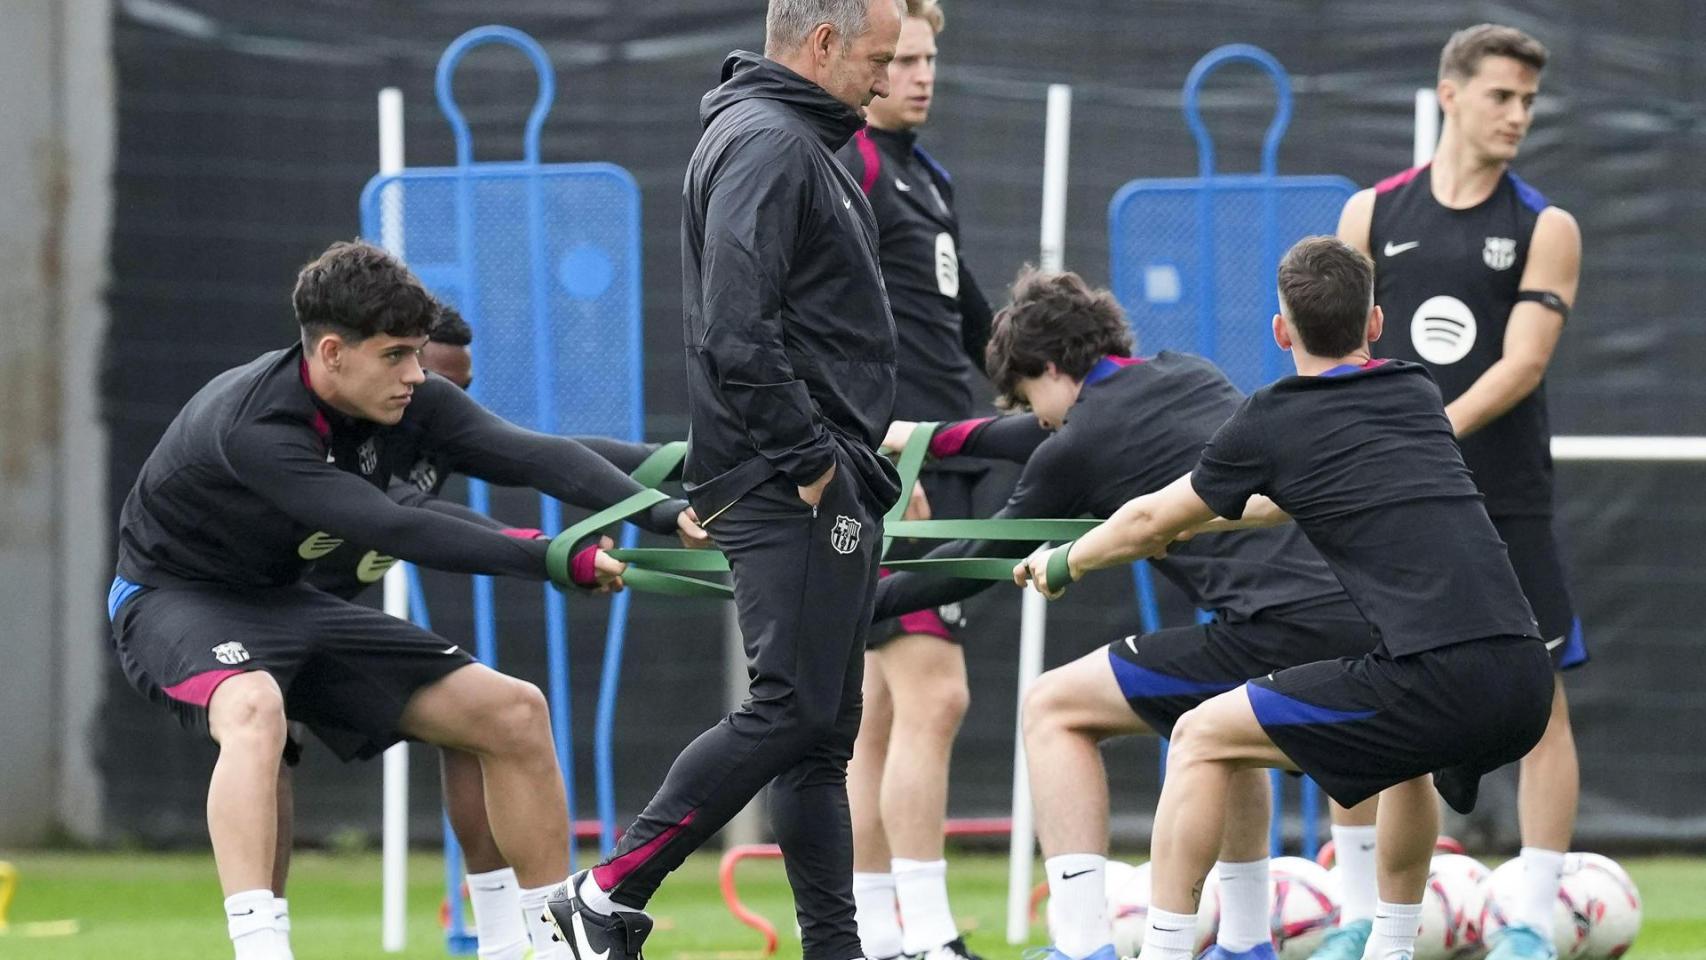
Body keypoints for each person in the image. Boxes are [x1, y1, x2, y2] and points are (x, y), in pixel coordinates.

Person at [106, 240, 698, 960]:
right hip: (177, 598)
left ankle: (551, 944)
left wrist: (662, 513)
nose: (418, 374)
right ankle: (262, 948)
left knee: (512, 711)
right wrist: (551, 556)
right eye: (397, 356)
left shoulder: (415, 400)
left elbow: (534, 454)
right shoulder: (258, 427)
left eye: (419, 354)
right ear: (332, 352)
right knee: (256, 709)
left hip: (288, 600)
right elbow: (395, 527)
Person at [1014, 236, 1553, 960]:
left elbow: (1146, 515)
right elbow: (1272, 505)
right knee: (1407, 758)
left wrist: (1064, 564)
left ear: (1279, 330)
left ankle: (1169, 950)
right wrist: (1184, 527)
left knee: (1202, 735)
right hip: (1523, 680)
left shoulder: (1275, 416)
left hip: (1437, 675)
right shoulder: (1415, 391)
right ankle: (1389, 949)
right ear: (1375, 325)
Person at [877, 268, 1379, 960]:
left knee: (1053, 708)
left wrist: (855, 604)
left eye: (1031, 397)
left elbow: (973, 559)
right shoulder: (1187, 374)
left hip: (1278, 628)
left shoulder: (1079, 443)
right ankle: (1244, 946)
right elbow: (1024, 434)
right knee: (1229, 728)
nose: (1040, 419)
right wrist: (920, 437)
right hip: (1355, 617)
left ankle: (1083, 948)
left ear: (1050, 369)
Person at [542, 3, 904, 959]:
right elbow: (734, 331)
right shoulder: (769, 142)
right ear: (823, 44)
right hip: (790, 479)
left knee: (820, 734)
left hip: (816, 472)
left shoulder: (796, 141)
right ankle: (609, 889)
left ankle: (836, 948)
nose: (889, 75)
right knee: (789, 709)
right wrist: (816, 465)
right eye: (879, 56)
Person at [285, 305, 699, 960]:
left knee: (481, 718)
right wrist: (558, 555)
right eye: (410, 365)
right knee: (264, 745)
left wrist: (682, 468)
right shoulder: (339, 444)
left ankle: (510, 943)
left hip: (334, 625)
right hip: (262, 617)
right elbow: (416, 519)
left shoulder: (433, 423)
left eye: (446, 380)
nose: (426, 387)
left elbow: (547, 454)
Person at [1335, 24, 1583, 960]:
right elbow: (1343, 356)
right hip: (1392, 513)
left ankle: (1530, 921)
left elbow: (1521, 365)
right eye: (1500, 97)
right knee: (1369, 691)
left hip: (1504, 502)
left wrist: (1423, 434)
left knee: (1542, 699)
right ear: (1450, 93)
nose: (1517, 115)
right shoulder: (1371, 216)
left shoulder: (1544, 225)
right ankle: (1363, 913)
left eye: (1528, 101)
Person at [832, 2, 996, 957]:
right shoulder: (845, 161)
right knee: (935, 697)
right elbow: (825, 316)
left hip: (953, 455)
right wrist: (878, 449)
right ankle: (927, 936)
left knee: (885, 712)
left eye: (930, 57)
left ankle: (874, 931)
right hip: (898, 468)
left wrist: (1065, 389)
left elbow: (967, 318)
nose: (919, 74)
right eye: (899, 58)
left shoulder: (923, 172)